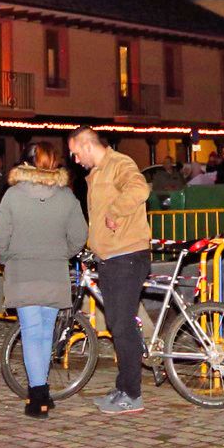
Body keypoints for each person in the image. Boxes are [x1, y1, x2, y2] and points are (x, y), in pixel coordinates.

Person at [0, 143, 88, 419]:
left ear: (29, 163)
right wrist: (61, 254)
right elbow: (79, 236)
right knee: (45, 335)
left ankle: (38, 399)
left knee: (32, 334)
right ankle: (41, 390)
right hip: (54, 273)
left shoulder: (13, 196)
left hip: (23, 273)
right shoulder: (67, 198)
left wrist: (9, 257)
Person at [69, 127, 151, 414]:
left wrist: (116, 213)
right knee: (118, 325)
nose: (75, 159)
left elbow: (140, 188)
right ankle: (123, 387)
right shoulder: (97, 173)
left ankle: (133, 395)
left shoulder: (120, 164)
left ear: (87, 146)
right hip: (111, 257)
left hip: (126, 256)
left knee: (122, 325)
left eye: (76, 153)